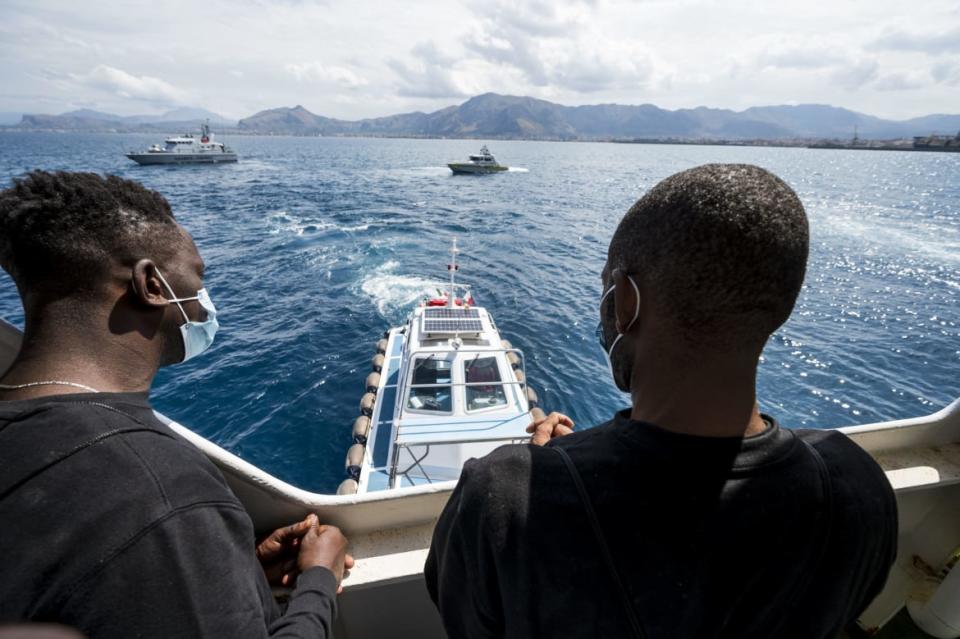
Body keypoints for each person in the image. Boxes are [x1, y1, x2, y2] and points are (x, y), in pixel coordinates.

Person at [425, 164, 898, 639]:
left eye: (604, 287)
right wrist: (560, 471)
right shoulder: (857, 488)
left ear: (626, 302)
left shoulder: (502, 501)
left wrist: (545, 474)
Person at [0, 171, 352, 637]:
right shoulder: (162, 491)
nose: (206, 298)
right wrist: (318, 580)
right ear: (152, 284)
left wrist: (232, 570)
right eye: (199, 276)